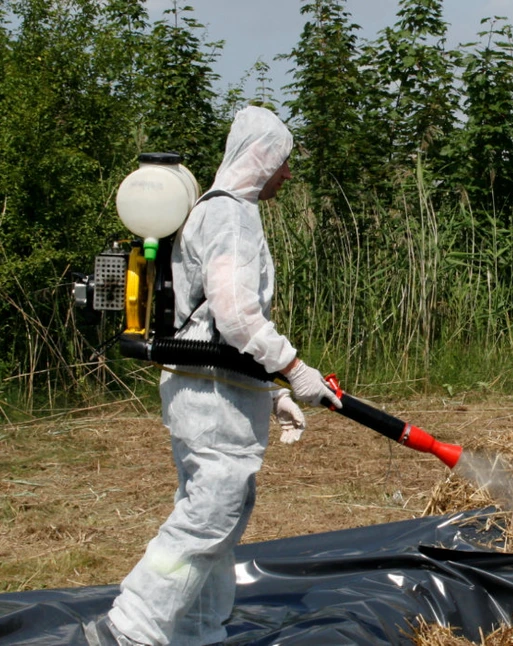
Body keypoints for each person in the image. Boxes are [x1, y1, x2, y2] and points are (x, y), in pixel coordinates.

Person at [85, 106, 342, 646]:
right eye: (285, 163)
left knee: (219, 515)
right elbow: (235, 314)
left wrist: (270, 393)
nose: (288, 175)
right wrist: (296, 371)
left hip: (214, 387)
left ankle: (197, 629)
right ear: (264, 157)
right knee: (208, 516)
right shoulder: (231, 216)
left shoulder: (217, 210)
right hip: (211, 396)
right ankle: (127, 630)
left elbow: (207, 327)